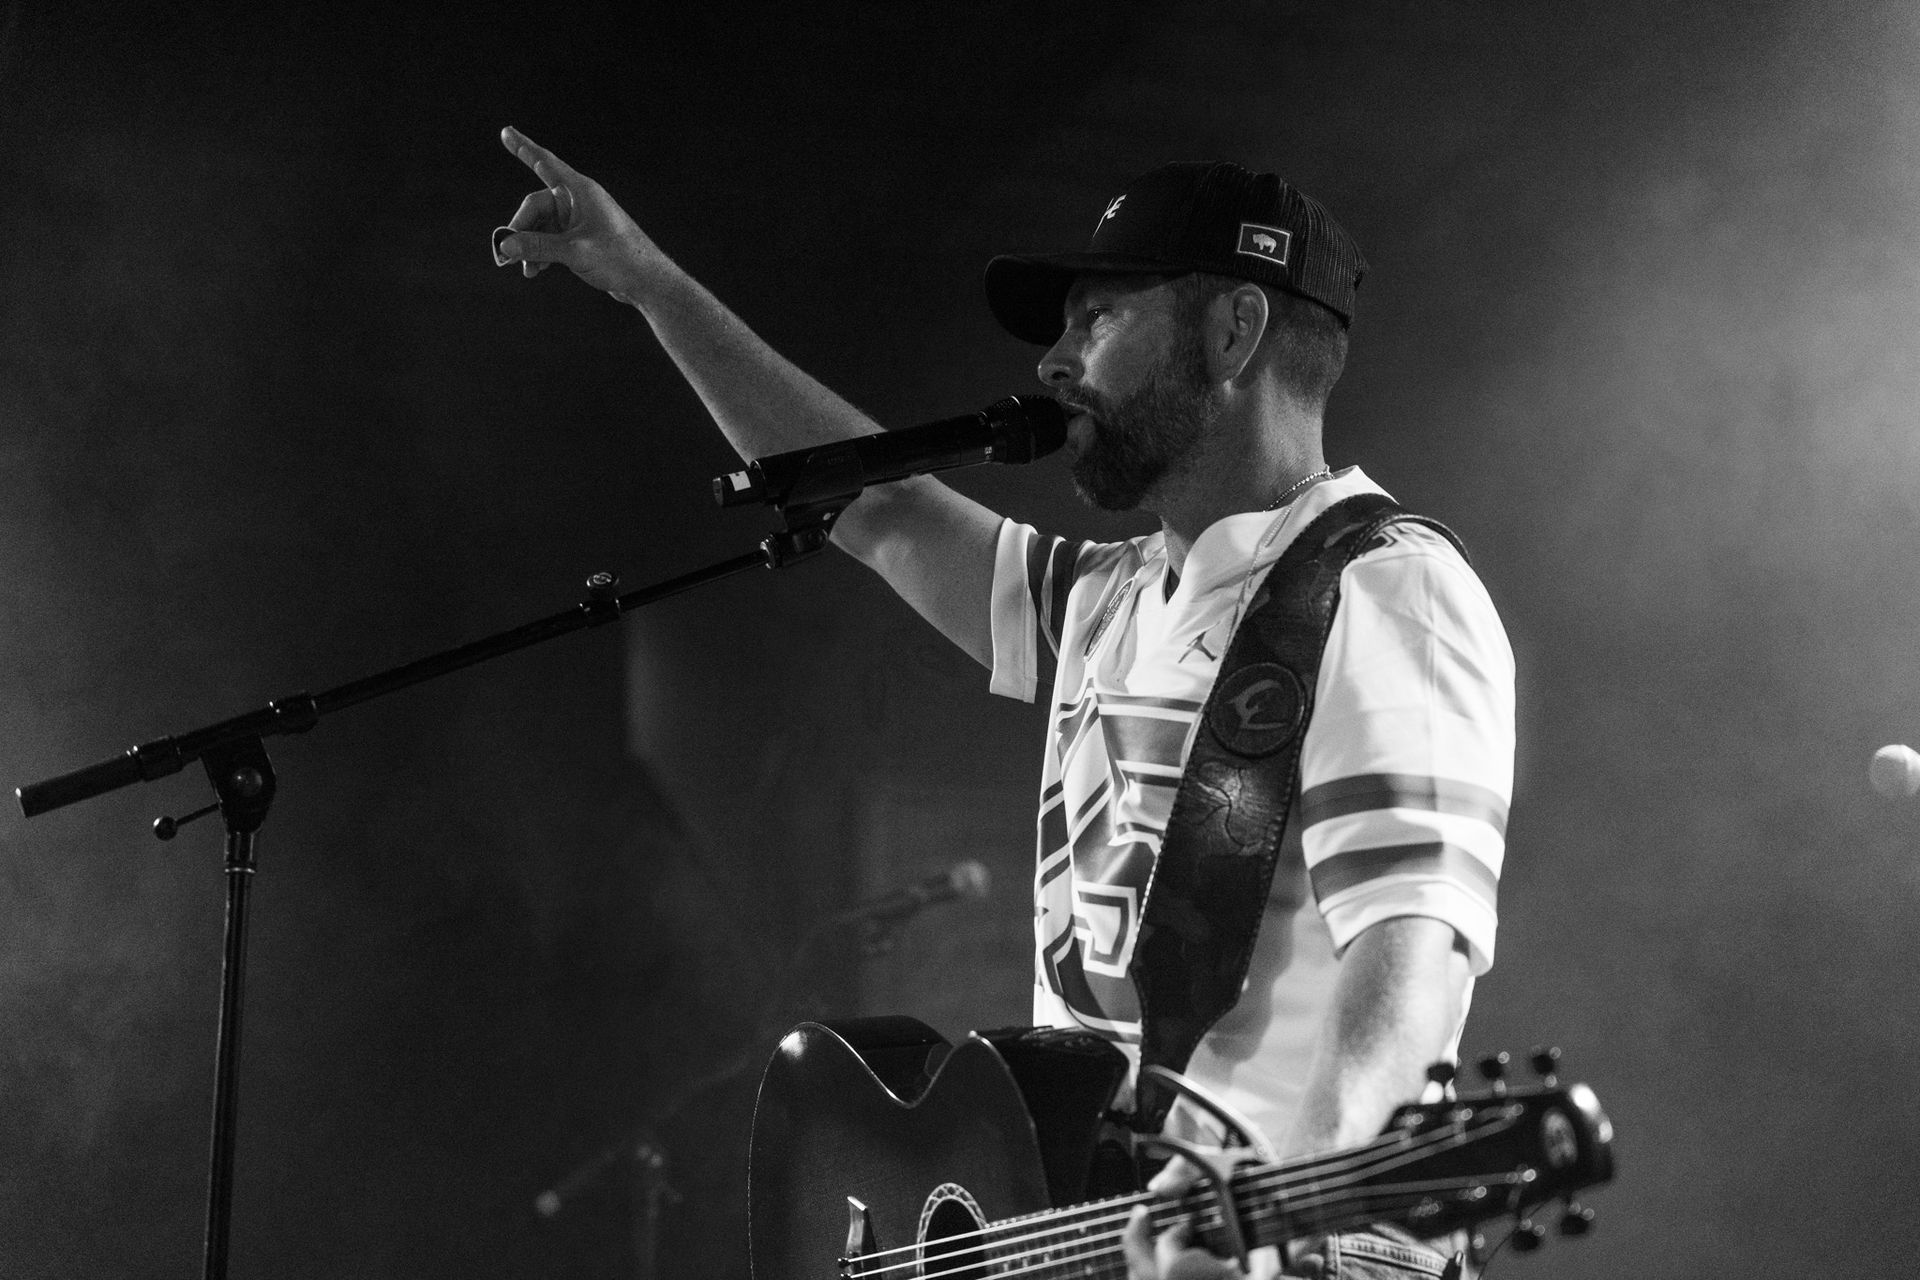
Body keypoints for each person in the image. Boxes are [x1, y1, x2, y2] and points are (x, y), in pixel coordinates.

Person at [493, 126, 1514, 1280]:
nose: (1055, 362)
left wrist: (1276, 1210)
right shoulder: (1113, 594)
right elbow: (871, 509)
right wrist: (647, 284)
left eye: (1099, 319)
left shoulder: (1382, 585)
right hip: (1107, 1240)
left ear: (1234, 331)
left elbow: (1413, 956)